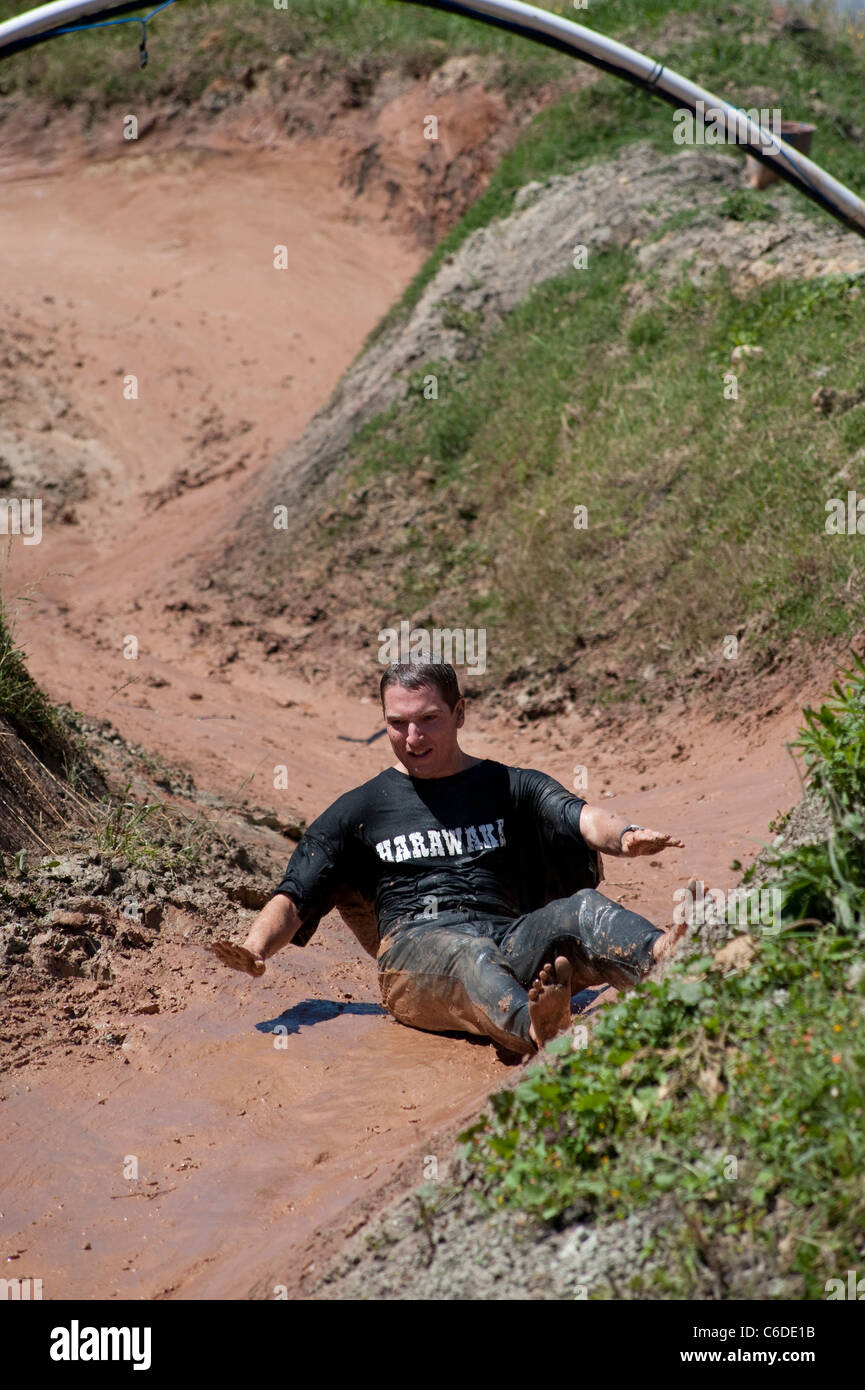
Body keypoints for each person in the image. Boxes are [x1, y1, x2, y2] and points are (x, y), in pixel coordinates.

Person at [211, 662, 685, 1056]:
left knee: (583, 909)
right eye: (397, 724)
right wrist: (254, 949)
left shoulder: (508, 785)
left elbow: (578, 816)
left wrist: (623, 836)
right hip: (417, 957)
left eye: (429, 719)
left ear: (459, 713)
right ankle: (539, 1030)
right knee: (470, 954)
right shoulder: (360, 809)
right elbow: (295, 895)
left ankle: (673, 959)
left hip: (507, 938)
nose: (412, 737)